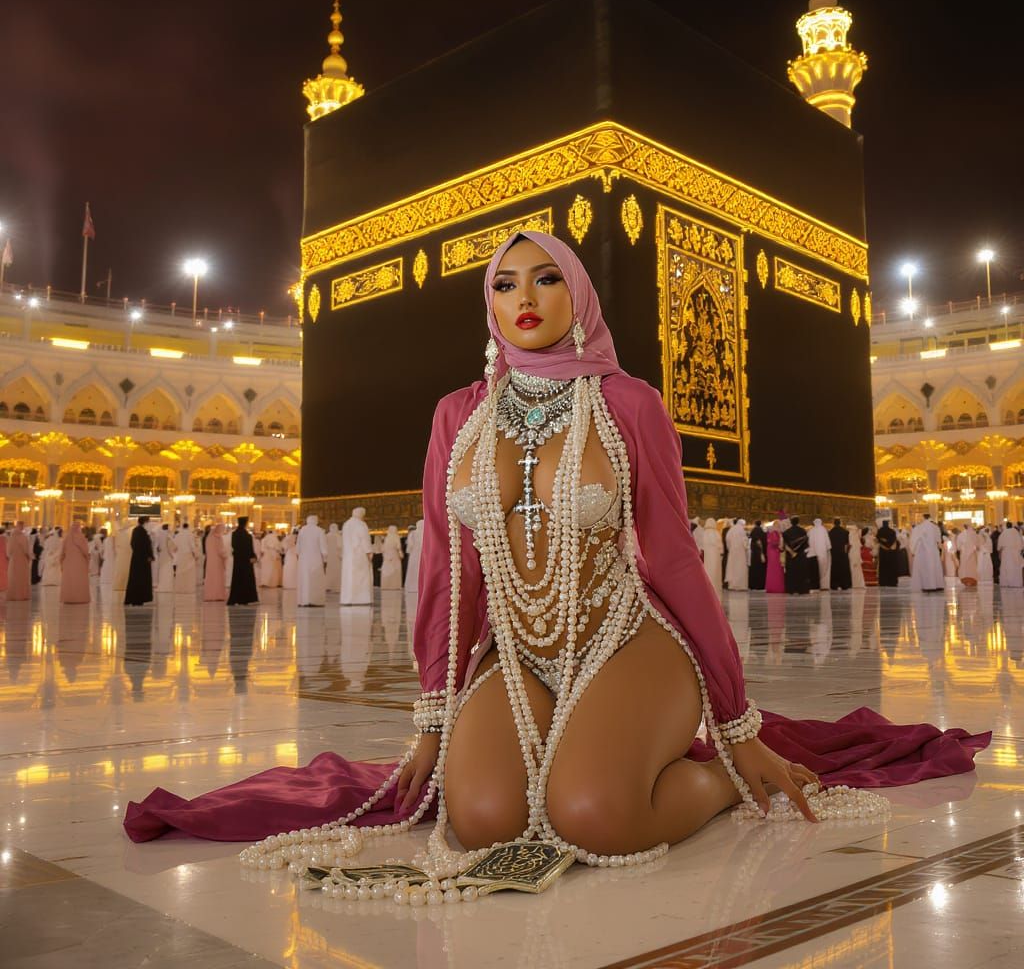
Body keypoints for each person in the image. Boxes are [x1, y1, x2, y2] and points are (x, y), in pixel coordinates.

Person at [123, 229, 991, 905]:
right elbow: (448, 571)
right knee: (482, 820)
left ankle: (718, 784)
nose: (525, 297)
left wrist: (737, 721)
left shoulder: (627, 403)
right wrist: (434, 716)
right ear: (488, 305)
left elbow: (677, 561)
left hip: (627, 641)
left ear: (577, 295)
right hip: (519, 650)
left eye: (546, 279)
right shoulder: (457, 416)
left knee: (597, 819)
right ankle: (577, 753)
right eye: (505, 283)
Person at [340, 507, 373, 604]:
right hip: (359, 554)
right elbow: (365, 540)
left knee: (349, 577)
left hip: (348, 556)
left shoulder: (346, 524)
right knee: (361, 577)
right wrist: (369, 552)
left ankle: (348, 599)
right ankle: (361, 599)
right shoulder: (361, 524)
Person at [296, 515, 328, 607]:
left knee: (304, 579)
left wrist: (299, 556)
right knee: (315, 578)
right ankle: (315, 600)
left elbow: (298, 547)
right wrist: (325, 559)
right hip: (316, 558)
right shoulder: (319, 531)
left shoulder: (302, 530)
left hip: (303, 559)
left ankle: (304, 600)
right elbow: (323, 548)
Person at [227, 516, 259, 605]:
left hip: (237, 560)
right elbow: (250, 548)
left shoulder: (234, 534)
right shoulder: (247, 536)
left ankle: (236, 598)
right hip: (246, 561)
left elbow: (233, 546)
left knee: (237, 578)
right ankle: (246, 598)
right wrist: (253, 556)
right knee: (246, 578)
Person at [124, 517, 154, 606]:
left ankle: (136, 598)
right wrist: (149, 555)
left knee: (136, 578)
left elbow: (133, 544)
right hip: (143, 559)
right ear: (145, 522)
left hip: (137, 558)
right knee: (141, 579)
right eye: (148, 521)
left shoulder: (136, 531)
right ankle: (139, 598)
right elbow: (145, 545)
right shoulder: (142, 532)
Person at [909, 515, 944, 593]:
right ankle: (938, 585)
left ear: (923, 518)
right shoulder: (935, 527)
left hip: (923, 551)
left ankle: (927, 585)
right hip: (934, 551)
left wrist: (913, 550)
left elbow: (914, 539)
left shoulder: (919, 527)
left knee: (925, 568)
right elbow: (939, 540)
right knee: (935, 567)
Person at [59, 522, 91, 604]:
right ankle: (80, 598)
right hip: (80, 563)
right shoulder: (81, 538)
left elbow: (62, 551)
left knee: (69, 580)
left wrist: (61, 561)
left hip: (68, 562)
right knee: (79, 579)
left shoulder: (66, 538)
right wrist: (88, 558)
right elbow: (85, 551)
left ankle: (68, 597)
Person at [782, 516, 810, 594]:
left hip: (790, 556)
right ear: (798, 522)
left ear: (791, 522)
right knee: (800, 572)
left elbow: (784, 545)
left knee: (791, 573)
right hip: (800, 556)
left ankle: (791, 589)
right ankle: (801, 589)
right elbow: (806, 545)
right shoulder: (803, 531)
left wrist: (791, 552)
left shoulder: (786, 532)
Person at [203, 524, 230, 601]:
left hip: (210, 561)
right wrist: (226, 555)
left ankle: (210, 595)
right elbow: (221, 551)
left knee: (211, 578)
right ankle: (218, 595)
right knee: (218, 578)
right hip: (218, 562)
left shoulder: (208, 538)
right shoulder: (218, 538)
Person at [6, 522, 32, 600]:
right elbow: (26, 550)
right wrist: (29, 557)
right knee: (21, 577)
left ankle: (13, 594)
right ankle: (21, 595)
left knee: (13, 576)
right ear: (21, 526)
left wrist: (10, 557)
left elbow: (8, 551)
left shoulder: (11, 537)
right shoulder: (23, 537)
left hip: (13, 560)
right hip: (22, 560)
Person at [699, 516, 723, 589]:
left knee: (706, 570)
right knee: (715, 571)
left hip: (706, 556)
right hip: (715, 556)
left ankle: (706, 586)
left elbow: (701, 546)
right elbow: (720, 546)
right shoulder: (716, 533)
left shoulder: (703, 533)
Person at [173, 523, 198, 594]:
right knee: (189, 572)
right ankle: (188, 588)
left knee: (180, 571)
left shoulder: (178, 535)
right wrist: (196, 555)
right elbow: (192, 545)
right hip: (188, 555)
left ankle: (180, 588)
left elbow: (175, 546)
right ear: (188, 527)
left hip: (180, 555)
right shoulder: (190, 534)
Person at [807, 518, 831, 592]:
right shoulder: (823, 530)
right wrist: (828, 548)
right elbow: (827, 542)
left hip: (814, 553)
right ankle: (823, 585)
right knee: (823, 567)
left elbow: (809, 541)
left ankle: (816, 584)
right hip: (823, 552)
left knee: (816, 569)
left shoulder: (811, 530)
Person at [724, 519, 748, 591]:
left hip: (732, 551)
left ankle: (732, 585)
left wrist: (730, 548)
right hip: (741, 552)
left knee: (732, 567)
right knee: (740, 567)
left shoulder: (731, 529)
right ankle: (740, 585)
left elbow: (727, 539)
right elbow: (745, 541)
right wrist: (746, 548)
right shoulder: (742, 530)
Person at [997, 521, 1023, 588]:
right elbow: (1020, 543)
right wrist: (1019, 550)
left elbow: (999, 545)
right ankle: (1015, 582)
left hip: (1006, 553)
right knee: (1015, 566)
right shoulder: (1016, 532)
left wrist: (999, 552)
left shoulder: (1003, 533)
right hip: (1015, 552)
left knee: (1006, 567)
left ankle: (1007, 582)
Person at [828, 518, 852, 591]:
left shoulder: (830, 532)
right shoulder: (845, 532)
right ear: (840, 523)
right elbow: (847, 544)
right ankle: (844, 584)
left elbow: (829, 544)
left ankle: (834, 585)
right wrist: (847, 552)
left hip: (834, 554)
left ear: (834, 523)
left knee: (835, 569)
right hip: (842, 553)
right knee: (843, 569)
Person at [875, 520, 900, 587]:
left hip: (883, 552)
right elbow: (894, 541)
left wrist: (883, 542)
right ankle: (892, 582)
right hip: (891, 552)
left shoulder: (880, 531)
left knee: (883, 567)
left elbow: (878, 539)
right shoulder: (892, 531)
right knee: (891, 566)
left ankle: (883, 582)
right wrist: (889, 546)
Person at [380, 525, 404, 590]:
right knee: (395, 570)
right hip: (394, 555)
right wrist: (401, 554)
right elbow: (398, 547)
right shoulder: (396, 537)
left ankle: (386, 586)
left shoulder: (386, 538)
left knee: (387, 570)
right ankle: (395, 586)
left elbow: (382, 549)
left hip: (387, 557)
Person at [405, 519, 425, 594]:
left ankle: (412, 587)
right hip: (423, 554)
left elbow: (410, 545)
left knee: (413, 570)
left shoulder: (413, 533)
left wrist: (410, 551)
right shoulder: (426, 532)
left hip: (414, 554)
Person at [765, 519, 785, 594]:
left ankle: (776, 586)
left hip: (775, 553)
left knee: (777, 570)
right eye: (778, 525)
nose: (779, 527)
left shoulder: (775, 533)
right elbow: (774, 543)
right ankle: (775, 587)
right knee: (775, 569)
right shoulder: (774, 533)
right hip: (774, 553)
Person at [747, 520, 766, 591]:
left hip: (754, 554)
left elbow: (751, 540)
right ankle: (761, 585)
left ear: (755, 524)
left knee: (754, 569)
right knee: (761, 570)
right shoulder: (762, 532)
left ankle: (753, 585)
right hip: (761, 553)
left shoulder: (753, 531)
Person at [154, 525, 174, 593]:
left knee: (162, 569)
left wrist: (159, 550)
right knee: (168, 569)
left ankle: (162, 585)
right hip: (168, 555)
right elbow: (172, 545)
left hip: (162, 554)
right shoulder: (169, 535)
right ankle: (168, 585)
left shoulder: (159, 535)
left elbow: (157, 546)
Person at [114, 522, 133, 590]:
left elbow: (116, 545)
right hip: (127, 554)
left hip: (122, 554)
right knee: (126, 569)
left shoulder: (119, 533)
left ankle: (120, 584)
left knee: (120, 569)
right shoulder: (129, 534)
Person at [324, 523, 342, 592]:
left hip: (329, 556)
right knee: (336, 571)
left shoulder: (327, 536)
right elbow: (340, 547)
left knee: (329, 571)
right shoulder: (338, 536)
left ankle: (328, 586)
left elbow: (325, 546)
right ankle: (336, 586)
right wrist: (341, 555)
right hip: (336, 556)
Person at [847, 523, 866, 589]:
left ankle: (854, 583)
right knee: (856, 568)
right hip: (855, 553)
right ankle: (857, 583)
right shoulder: (856, 534)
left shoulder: (850, 535)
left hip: (853, 553)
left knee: (854, 568)